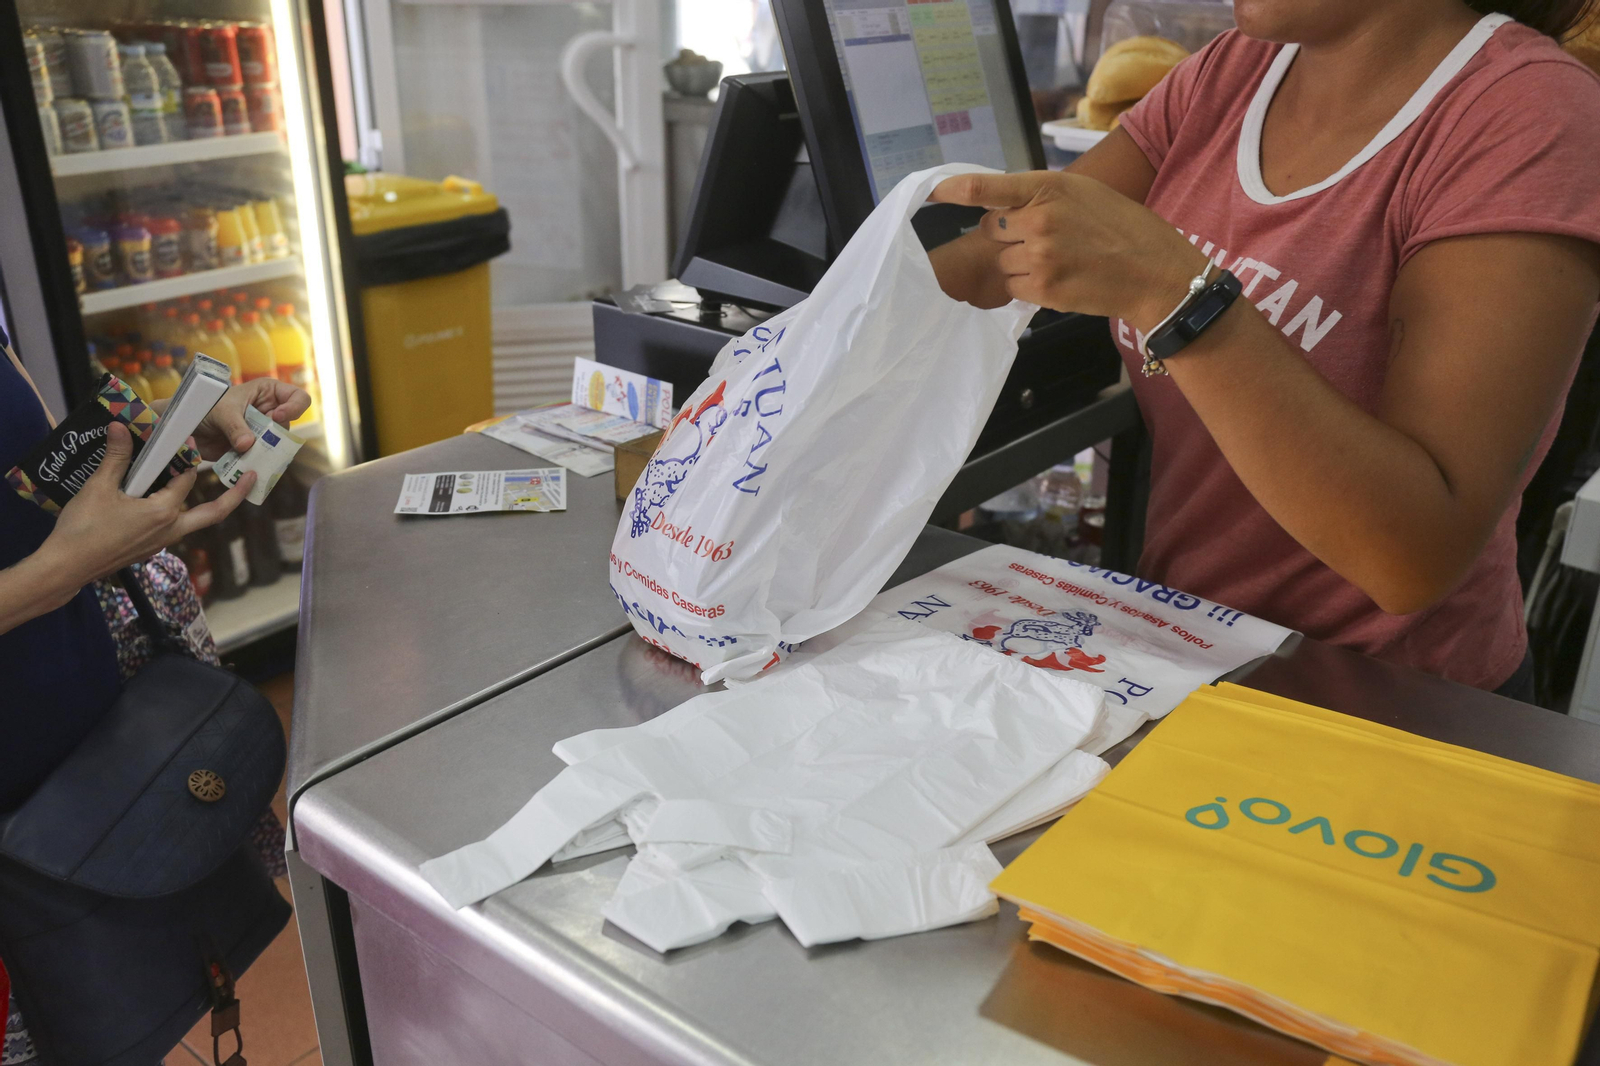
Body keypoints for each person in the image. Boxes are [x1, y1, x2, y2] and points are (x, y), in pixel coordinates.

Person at [929, 0, 1600, 698]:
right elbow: (999, 255)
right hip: (1193, 651)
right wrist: (832, 333)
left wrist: (1178, 297)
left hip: (1386, 697)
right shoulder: (1231, 73)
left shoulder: (1532, 115)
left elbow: (1411, 559)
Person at [0, 327, 308, 1064]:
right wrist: (65, 568)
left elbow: (29, 490)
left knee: (93, 996)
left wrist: (172, 430)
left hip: (59, 705)